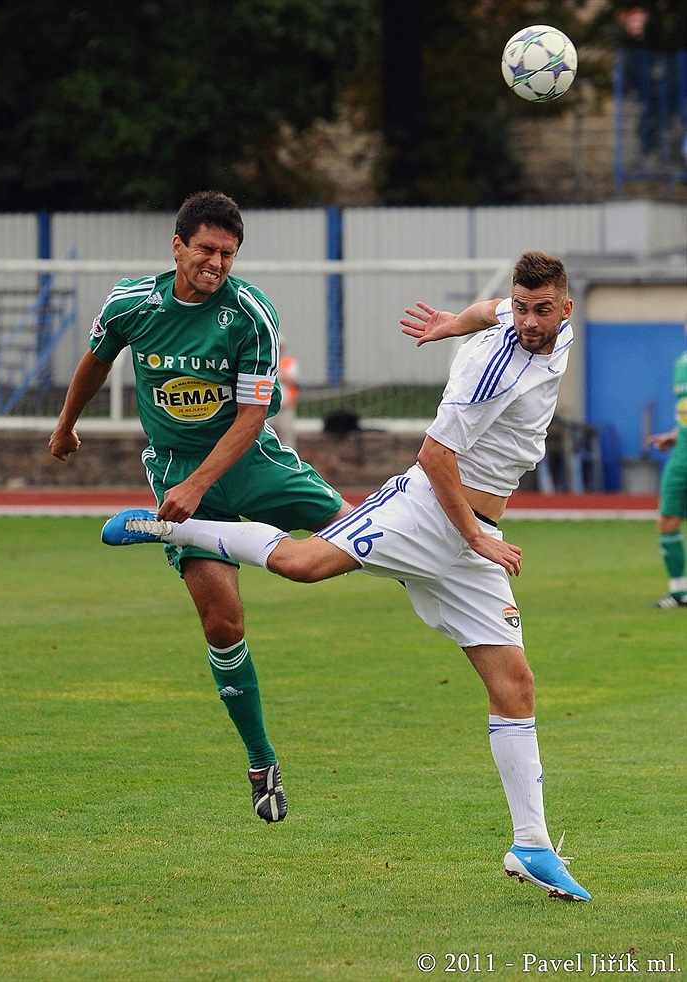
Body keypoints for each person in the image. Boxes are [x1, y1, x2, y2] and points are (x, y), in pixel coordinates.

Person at [101, 251, 592, 902]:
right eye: (521, 309)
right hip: (429, 511)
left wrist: (451, 321)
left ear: (564, 308)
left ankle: (530, 845)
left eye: (539, 310)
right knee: (305, 566)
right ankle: (169, 528)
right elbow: (436, 457)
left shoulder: (534, 323)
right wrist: (474, 536)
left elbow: (489, 310)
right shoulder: (490, 367)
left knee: (515, 684)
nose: (527, 321)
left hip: (475, 537)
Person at [49, 190, 351, 823]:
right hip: (177, 471)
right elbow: (94, 363)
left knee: (360, 536)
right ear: (178, 246)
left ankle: (456, 558)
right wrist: (66, 424)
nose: (217, 263)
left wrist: (198, 488)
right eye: (208, 250)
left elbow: (251, 417)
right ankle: (262, 759)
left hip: (252, 461)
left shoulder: (251, 316)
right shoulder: (132, 304)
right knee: (223, 624)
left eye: (229, 254)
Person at [646, 343, 687, 608]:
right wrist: (673, 437)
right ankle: (679, 592)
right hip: (681, 457)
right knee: (668, 519)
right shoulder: (681, 364)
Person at [271, 338, 300, 448]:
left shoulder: (288, 363)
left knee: (288, 438)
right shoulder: (265, 361)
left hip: (285, 407)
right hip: (268, 408)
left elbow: (291, 381)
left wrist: (278, 371)